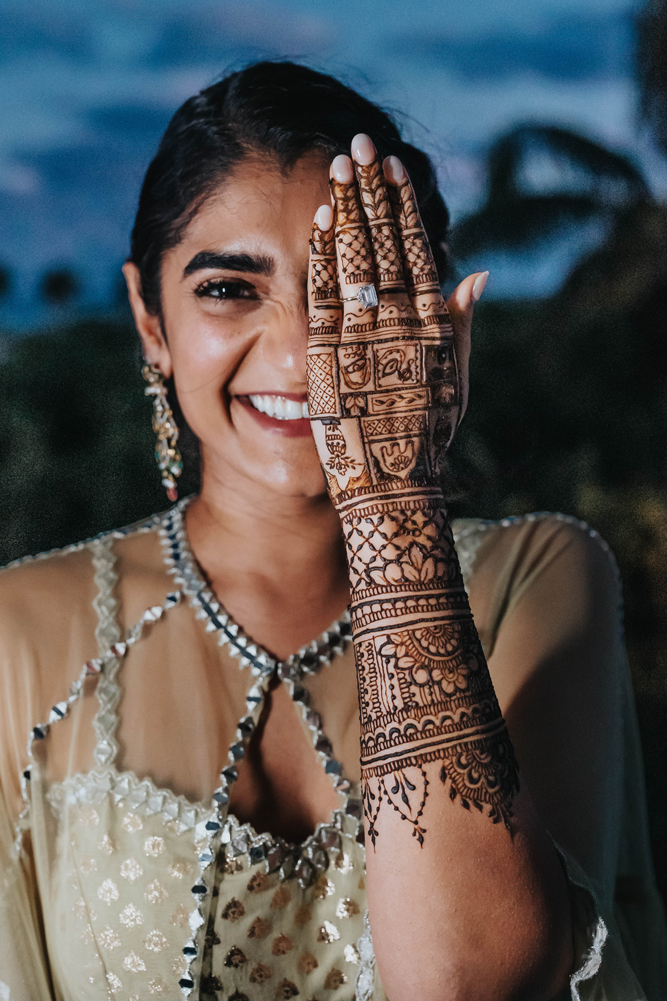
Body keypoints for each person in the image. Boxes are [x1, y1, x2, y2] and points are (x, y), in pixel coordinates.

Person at [0, 61, 665, 1001]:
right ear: (151, 319)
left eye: (355, 293)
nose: (306, 352)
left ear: (428, 317)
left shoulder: (539, 576)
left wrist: (392, 492)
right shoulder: (18, 634)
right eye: (230, 288)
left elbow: (471, 983)